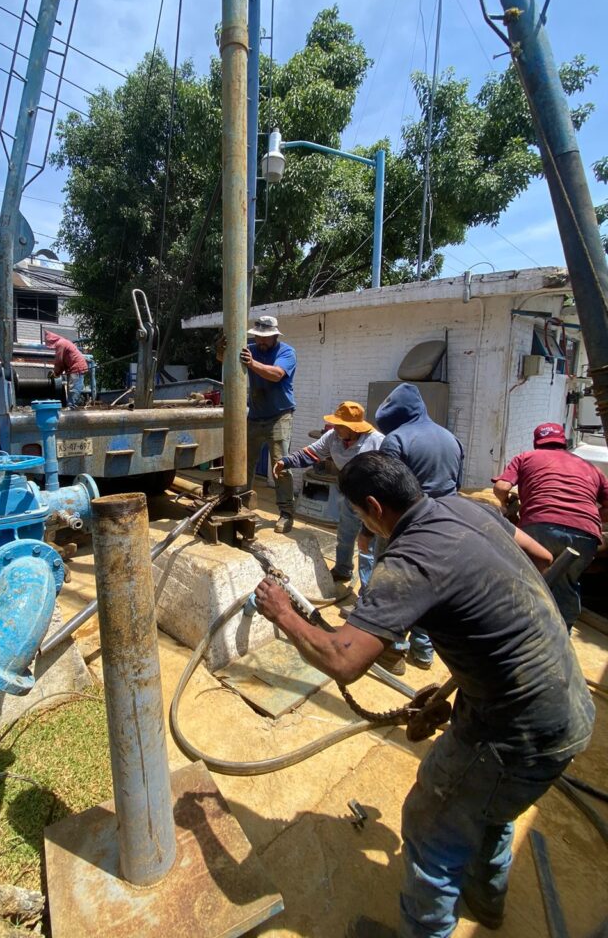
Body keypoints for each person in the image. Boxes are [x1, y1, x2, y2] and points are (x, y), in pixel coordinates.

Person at [254, 452, 594, 938]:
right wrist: (479, 666)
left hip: (517, 733)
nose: (360, 521)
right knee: (490, 808)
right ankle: (486, 898)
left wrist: (284, 613)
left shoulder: (410, 559)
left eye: (357, 513)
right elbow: (542, 561)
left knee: (431, 823)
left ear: (373, 506)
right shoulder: (468, 507)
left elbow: (344, 661)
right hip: (568, 701)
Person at [374, 382, 464, 672]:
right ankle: (423, 651)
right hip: (444, 523)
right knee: (430, 585)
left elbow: (386, 494)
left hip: (406, 527)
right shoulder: (450, 438)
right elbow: (457, 485)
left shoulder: (396, 440)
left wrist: (370, 530)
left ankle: (394, 653)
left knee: (393, 585)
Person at [493, 422, 608, 631]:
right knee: (566, 584)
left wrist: (507, 502)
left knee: (527, 579)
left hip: (539, 527)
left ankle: (520, 632)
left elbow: (501, 487)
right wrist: (589, 518)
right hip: (585, 535)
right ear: (563, 441)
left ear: (537, 442)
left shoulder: (526, 457)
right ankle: (561, 636)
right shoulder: (590, 468)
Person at [273, 401, 383, 587]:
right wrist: (286, 462)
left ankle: (367, 591)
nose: (336, 428)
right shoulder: (333, 437)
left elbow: (384, 479)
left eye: (341, 425)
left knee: (367, 546)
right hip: (350, 496)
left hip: (372, 500)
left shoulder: (377, 442)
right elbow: (311, 454)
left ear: (354, 428)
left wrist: (370, 523)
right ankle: (342, 570)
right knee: (345, 536)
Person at [217, 315, 297, 533]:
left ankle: (286, 514)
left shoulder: (286, 352)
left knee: (280, 466)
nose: (261, 342)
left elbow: (277, 375)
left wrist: (251, 363)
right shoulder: (251, 349)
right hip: (255, 416)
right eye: (258, 337)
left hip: (280, 416)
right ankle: (240, 504)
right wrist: (221, 350)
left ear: (274, 336)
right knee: (245, 463)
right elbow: (224, 360)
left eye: (265, 338)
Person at [43, 330, 89, 409]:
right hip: (74, 367)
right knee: (72, 388)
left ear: (51, 341)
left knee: (73, 388)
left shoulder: (60, 344)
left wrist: (56, 373)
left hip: (76, 367)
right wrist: (57, 373)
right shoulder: (63, 342)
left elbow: (59, 361)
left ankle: (71, 407)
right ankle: (72, 406)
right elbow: (63, 362)